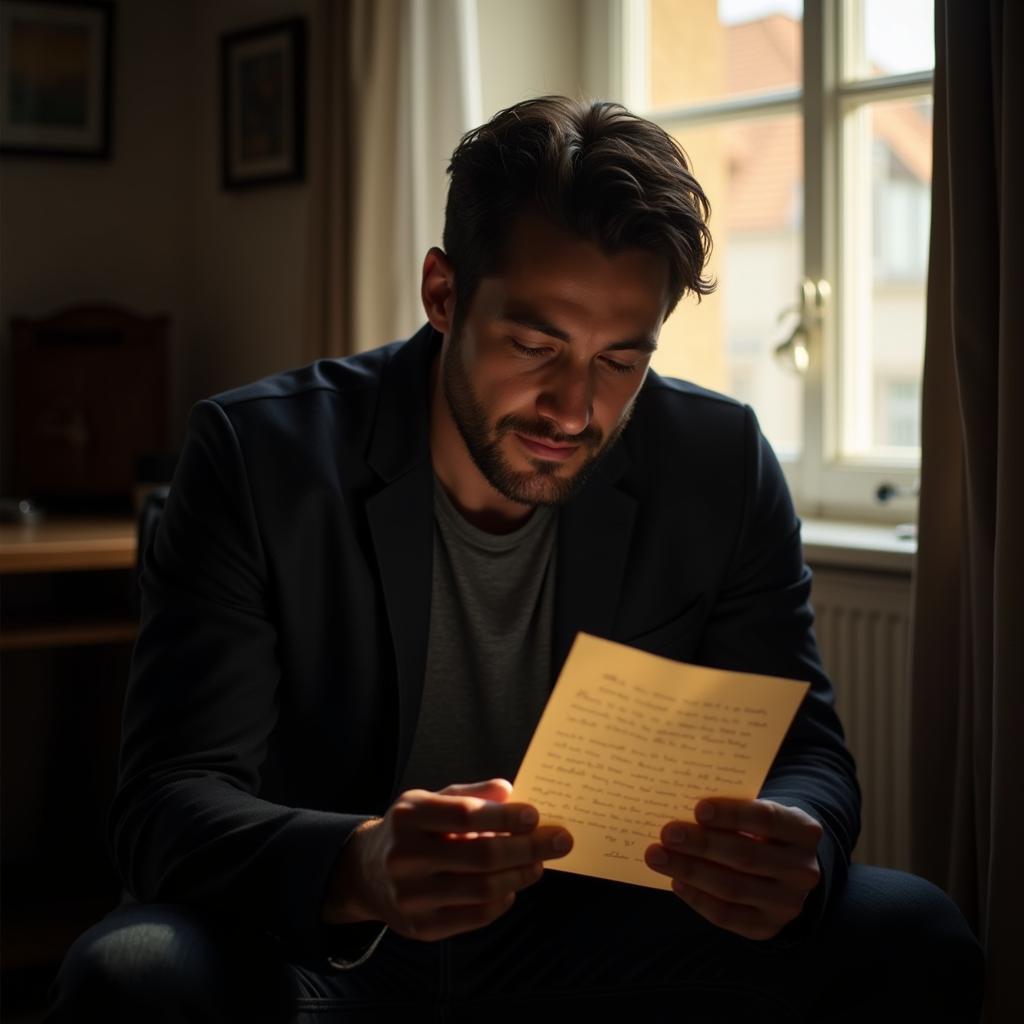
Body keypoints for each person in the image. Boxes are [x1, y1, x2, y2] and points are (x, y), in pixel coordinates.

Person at [47, 96, 983, 1023]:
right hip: (329, 941)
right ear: (444, 294)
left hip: (603, 928)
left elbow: (806, 752)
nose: (574, 409)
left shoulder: (720, 462)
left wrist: (797, 848)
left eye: (622, 360)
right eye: (535, 345)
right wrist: (361, 864)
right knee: (132, 975)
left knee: (915, 930)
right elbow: (165, 805)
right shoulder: (258, 458)